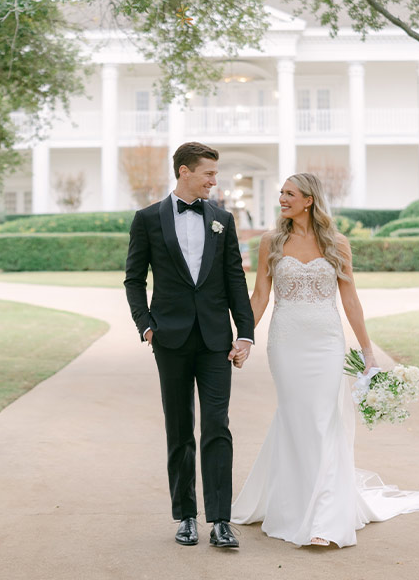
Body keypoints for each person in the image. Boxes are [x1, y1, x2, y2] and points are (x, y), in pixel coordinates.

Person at [231, 173, 419, 547]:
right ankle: (292, 504)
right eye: (281, 193)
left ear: (309, 200)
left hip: (326, 343)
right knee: (296, 417)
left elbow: (350, 300)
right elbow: (260, 296)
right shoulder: (270, 241)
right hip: (285, 343)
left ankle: (325, 518)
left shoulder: (337, 243)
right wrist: (244, 338)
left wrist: (368, 352)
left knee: (323, 421)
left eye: (289, 194)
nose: (281, 199)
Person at [124, 141, 254, 549]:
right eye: (208, 174)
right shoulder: (147, 219)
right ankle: (185, 517)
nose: (215, 181)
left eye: (215, 174)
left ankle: (220, 520)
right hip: (171, 339)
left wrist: (245, 333)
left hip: (216, 339)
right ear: (184, 171)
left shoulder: (222, 219)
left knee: (217, 426)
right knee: (179, 429)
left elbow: (235, 278)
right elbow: (134, 278)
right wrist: (146, 325)